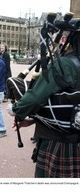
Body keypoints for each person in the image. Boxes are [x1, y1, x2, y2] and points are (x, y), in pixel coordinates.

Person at [10, 22, 80, 177]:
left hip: (61, 143)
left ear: (64, 39)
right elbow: (70, 102)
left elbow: (35, 99)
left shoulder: (64, 64)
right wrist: (36, 119)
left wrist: (15, 109)